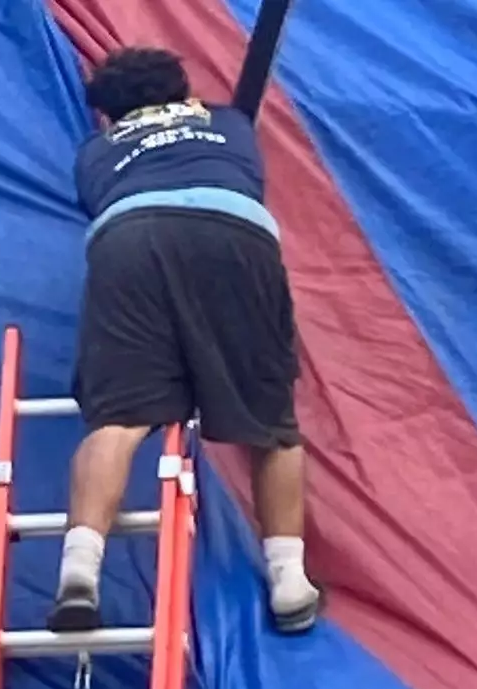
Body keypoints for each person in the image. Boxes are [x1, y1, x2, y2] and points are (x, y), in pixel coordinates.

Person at [57, 46, 321, 636]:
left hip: (128, 236)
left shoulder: (96, 153)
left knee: (118, 420)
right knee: (271, 422)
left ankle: (78, 568)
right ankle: (288, 580)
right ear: (183, 92)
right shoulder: (229, 123)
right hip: (232, 232)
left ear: (107, 113)